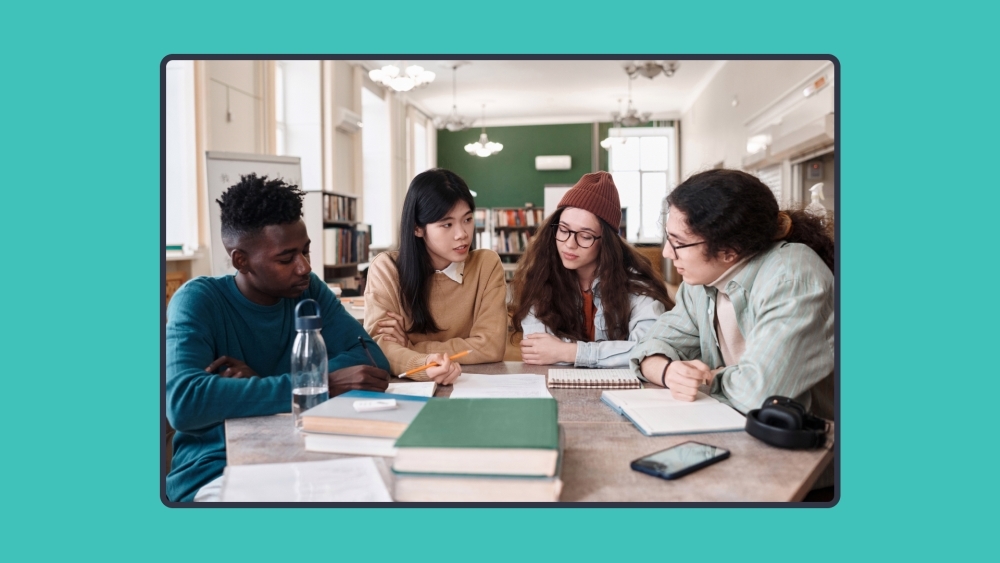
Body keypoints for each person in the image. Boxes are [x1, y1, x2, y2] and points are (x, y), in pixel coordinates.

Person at [165, 174, 391, 503]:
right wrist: (321, 385)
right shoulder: (198, 300)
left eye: (306, 251)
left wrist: (259, 384)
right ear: (240, 261)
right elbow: (184, 402)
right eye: (286, 259)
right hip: (217, 469)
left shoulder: (308, 289)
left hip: (303, 453)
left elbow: (370, 358)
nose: (303, 267)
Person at [630, 169, 835, 420]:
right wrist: (667, 371)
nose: (666, 253)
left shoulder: (791, 278)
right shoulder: (699, 284)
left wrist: (709, 377)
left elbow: (760, 394)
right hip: (736, 428)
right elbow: (650, 347)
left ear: (730, 250)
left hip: (812, 445)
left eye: (679, 243)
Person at [509, 171, 674, 367]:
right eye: (563, 230)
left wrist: (569, 352)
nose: (569, 244)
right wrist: (614, 354)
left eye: (585, 236)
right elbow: (539, 351)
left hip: (626, 394)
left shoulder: (636, 285)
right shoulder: (540, 277)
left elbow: (649, 350)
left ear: (606, 242)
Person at [364, 169, 507, 382]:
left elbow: (491, 346)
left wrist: (411, 347)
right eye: (447, 224)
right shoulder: (387, 269)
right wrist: (424, 365)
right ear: (417, 229)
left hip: (474, 384)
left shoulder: (486, 265)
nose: (462, 234)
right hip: (409, 386)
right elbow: (379, 346)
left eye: (467, 219)